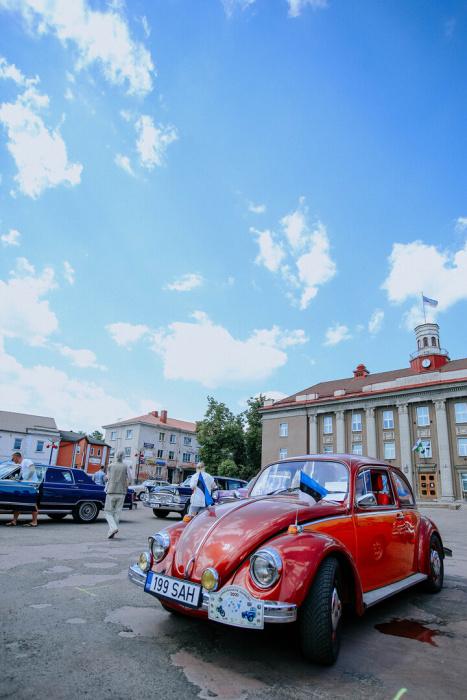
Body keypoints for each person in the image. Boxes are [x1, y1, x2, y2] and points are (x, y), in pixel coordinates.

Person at [6, 452, 39, 527]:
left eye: (12, 458)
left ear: (15, 457)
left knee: (33, 503)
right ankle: (14, 521)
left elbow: (32, 469)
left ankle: (34, 521)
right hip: (26, 486)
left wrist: (26, 480)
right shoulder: (21, 465)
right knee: (19, 502)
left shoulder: (26, 461)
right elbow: (23, 475)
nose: (12, 460)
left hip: (32, 485)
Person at [103, 451, 131, 539]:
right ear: (123, 457)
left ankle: (113, 528)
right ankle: (112, 531)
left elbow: (107, 477)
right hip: (121, 491)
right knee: (117, 512)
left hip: (111, 490)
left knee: (108, 511)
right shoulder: (125, 466)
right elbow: (130, 478)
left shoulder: (110, 466)